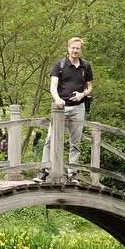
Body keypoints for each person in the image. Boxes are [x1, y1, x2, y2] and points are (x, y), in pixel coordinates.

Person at [37, 37, 93, 183]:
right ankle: (45, 170)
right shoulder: (60, 65)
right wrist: (57, 99)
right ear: (68, 48)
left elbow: (90, 87)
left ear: (81, 50)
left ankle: (72, 173)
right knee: (50, 139)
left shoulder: (85, 66)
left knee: (75, 142)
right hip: (60, 108)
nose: (75, 50)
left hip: (78, 108)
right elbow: (53, 86)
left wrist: (82, 94)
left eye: (78, 48)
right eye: (73, 48)